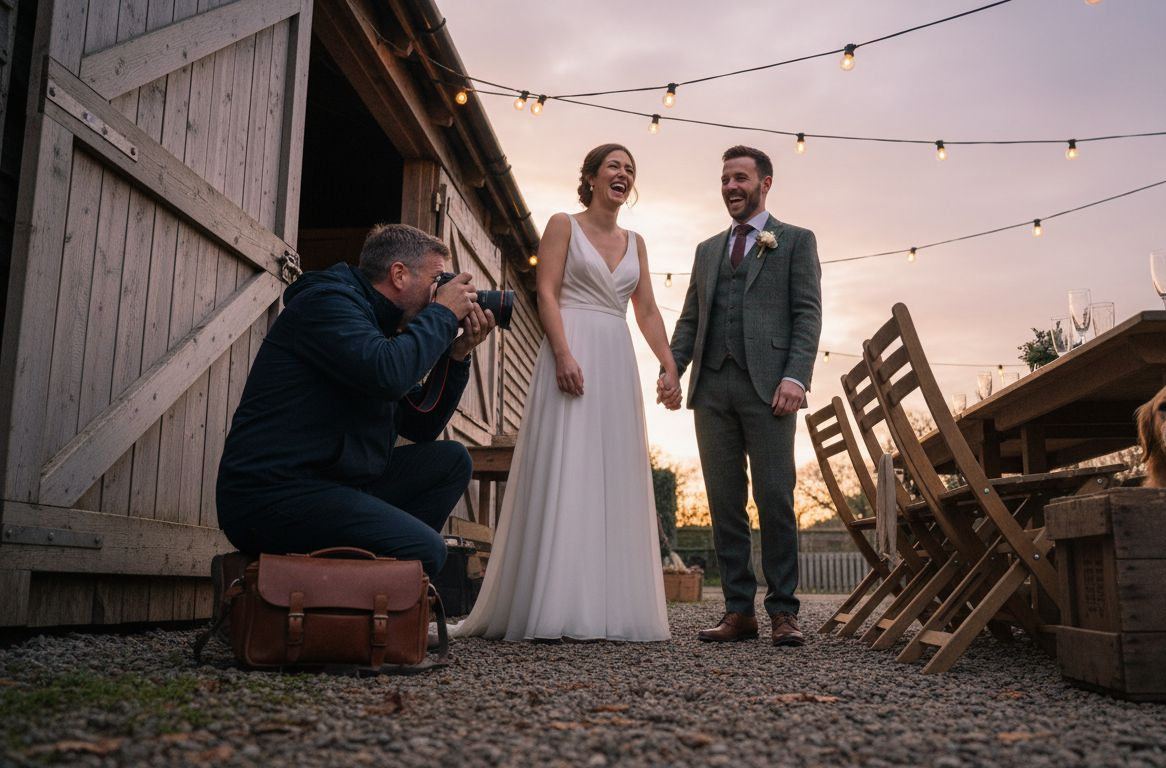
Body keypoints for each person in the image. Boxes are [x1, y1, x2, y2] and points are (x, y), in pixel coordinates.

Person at [448, 143, 679, 642]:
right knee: (567, 465)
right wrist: (563, 353)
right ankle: (552, 603)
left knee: (611, 472)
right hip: (570, 347)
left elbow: (646, 311)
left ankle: (608, 608)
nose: (624, 174)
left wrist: (668, 363)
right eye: (614, 166)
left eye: (630, 169)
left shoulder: (636, 242)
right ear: (592, 177)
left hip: (616, 358)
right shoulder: (562, 225)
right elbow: (546, 291)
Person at [216, 223, 496, 576]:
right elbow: (388, 374)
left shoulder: (378, 327)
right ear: (399, 274)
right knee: (424, 549)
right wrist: (442, 314)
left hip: (335, 486)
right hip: (273, 494)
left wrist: (457, 356)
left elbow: (421, 423)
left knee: (451, 460)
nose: (441, 294)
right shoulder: (328, 304)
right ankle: (359, 596)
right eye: (437, 281)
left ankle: (374, 594)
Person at [667, 145, 822, 646]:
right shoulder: (707, 250)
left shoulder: (796, 241)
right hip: (712, 387)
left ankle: (783, 611)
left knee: (775, 496)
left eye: (741, 178)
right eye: (726, 179)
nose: (731, 187)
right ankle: (739, 611)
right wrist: (673, 368)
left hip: (770, 386)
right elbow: (690, 318)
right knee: (724, 501)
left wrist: (796, 377)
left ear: (765, 184)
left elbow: (807, 313)